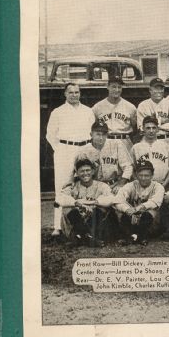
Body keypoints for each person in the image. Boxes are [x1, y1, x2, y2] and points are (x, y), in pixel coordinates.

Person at [46, 82, 95, 237]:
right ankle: (57, 226)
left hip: (84, 149)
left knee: (85, 183)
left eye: (77, 92)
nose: (74, 95)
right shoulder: (58, 112)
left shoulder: (88, 111)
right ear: (65, 94)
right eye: (71, 92)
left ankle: (85, 223)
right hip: (65, 149)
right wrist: (60, 150)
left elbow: (92, 132)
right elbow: (50, 135)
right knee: (62, 185)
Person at [55, 158, 116, 247]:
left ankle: (84, 237)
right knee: (67, 208)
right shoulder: (72, 186)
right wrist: (77, 203)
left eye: (88, 170)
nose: (85, 173)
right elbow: (59, 199)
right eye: (82, 171)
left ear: (93, 171)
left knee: (103, 208)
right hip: (75, 224)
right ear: (77, 173)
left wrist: (93, 202)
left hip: (94, 222)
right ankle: (87, 237)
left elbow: (111, 199)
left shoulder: (102, 185)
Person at [114, 160, 165, 246]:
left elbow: (155, 201)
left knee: (149, 213)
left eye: (146, 175)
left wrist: (138, 208)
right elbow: (118, 199)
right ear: (136, 174)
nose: (143, 178)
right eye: (140, 175)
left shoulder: (158, 186)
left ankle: (140, 236)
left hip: (150, 222)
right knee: (122, 213)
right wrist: (127, 209)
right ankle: (133, 236)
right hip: (132, 218)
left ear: (152, 175)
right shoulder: (131, 185)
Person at [73, 121, 133, 194]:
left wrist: (121, 184)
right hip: (94, 187)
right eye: (98, 134)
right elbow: (79, 173)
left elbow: (128, 167)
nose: (101, 138)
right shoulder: (84, 151)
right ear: (91, 134)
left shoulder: (117, 144)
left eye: (104, 134)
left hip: (115, 184)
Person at [131, 115, 169, 190]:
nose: (151, 131)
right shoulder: (136, 147)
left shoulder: (166, 146)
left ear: (157, 129)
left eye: (154, 128)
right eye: (148, 128)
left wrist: (163, 186)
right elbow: (131, 168)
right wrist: (138, 183)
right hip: (142, 186)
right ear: (143, 129)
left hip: (162, 184)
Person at [91, 75, 137, 152]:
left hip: (124, 140)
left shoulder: (130, 107)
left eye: (119, 87)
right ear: (107, 87)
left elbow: (135, 129)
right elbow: (93, 127)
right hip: (105, 141)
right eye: (114, 87)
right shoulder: (97, 107)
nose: (117, 90)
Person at [136, 77, 169, 152]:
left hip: (167, 140)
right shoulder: (143, 105)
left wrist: (154, 124)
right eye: (156, 88)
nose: (159, 91)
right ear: (150, 90)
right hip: (149, 142)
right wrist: (162, 121)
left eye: (161, 88)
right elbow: (141, 129)